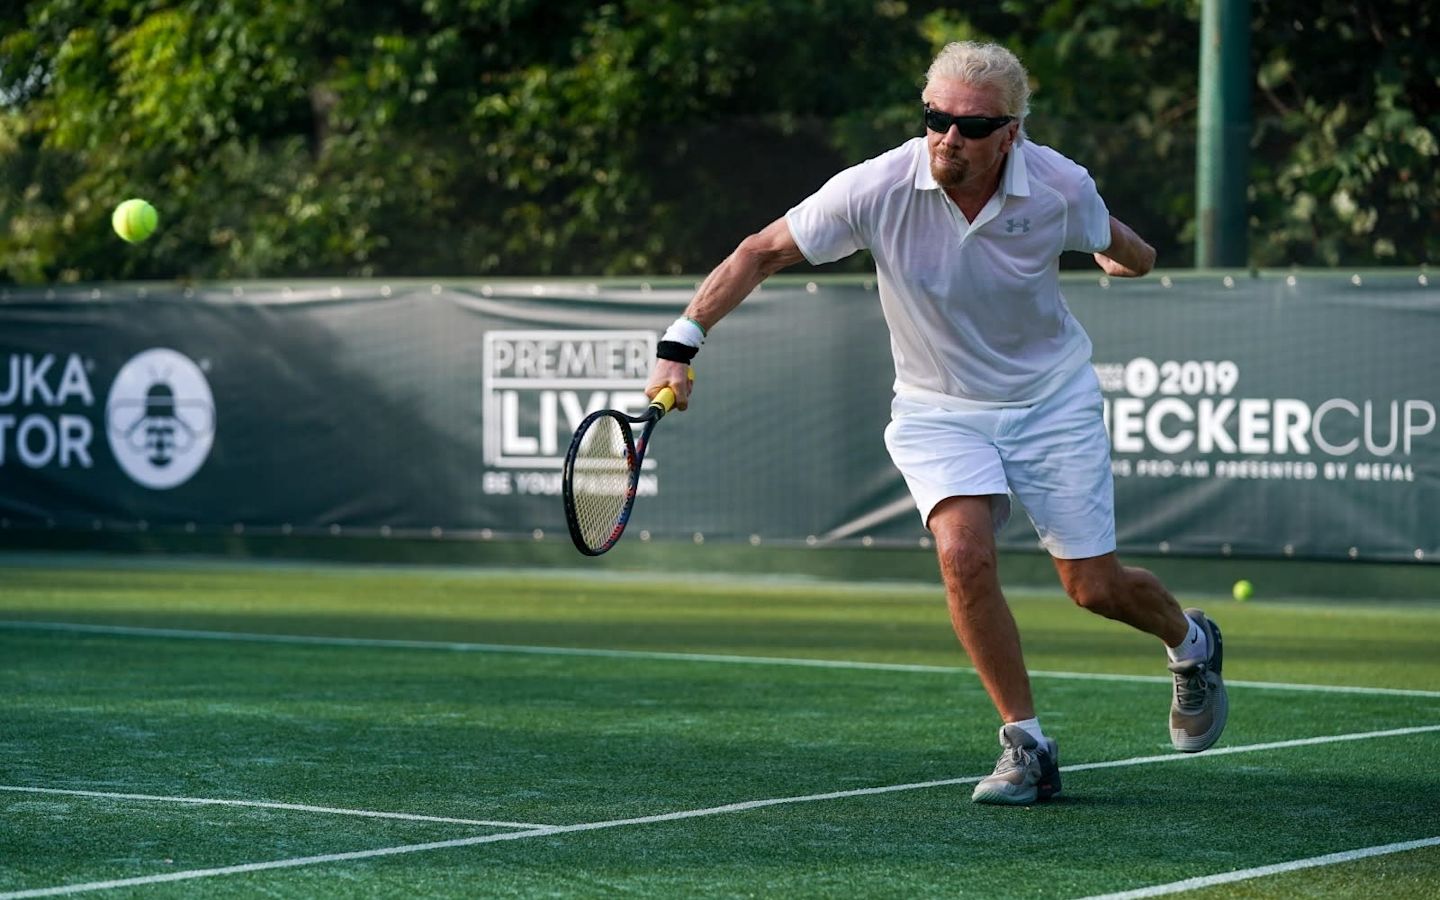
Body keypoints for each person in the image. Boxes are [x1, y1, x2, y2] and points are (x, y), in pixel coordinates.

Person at [644, 41, 1227, 805]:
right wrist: (677, 348)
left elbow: (1123, 245)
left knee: (1092, 587)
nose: (950, 137)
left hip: (1051, 403)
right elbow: (761, 252)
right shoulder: (875, 185)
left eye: (973, 126)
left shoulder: (1059, 185)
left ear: (1011, 131)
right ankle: (1028, 744)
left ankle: (1190, 643)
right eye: (936, 119)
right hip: (937, 408)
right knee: (963, 555)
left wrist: (1125, 259)